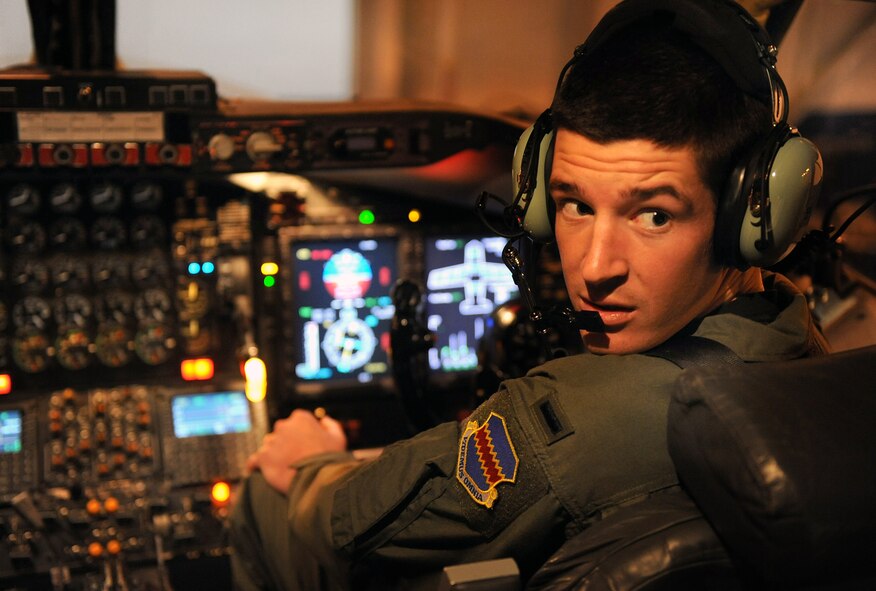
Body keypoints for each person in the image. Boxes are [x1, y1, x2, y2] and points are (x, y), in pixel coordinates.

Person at [229, 1, 829, 589]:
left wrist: (310, 464)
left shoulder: (574, 424)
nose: (593, 269)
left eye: (653, 215)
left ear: (750, 219)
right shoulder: (792, 332)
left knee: (261, 495)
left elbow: (357, 526)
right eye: (573, 205)